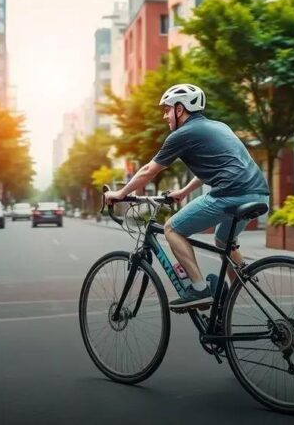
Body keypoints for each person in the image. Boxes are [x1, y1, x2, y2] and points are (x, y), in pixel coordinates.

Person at [105, 84, 269, 310]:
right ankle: (248, 288)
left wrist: (121, 193)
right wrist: (182, 193)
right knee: (223, 241)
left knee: (173, 228)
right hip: (258, 194)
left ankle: (200, 290)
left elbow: (149, 171)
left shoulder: (182, 134)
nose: (165, 116)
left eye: (167, 109)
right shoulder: (219, 127)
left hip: (230, 194)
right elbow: (217, 167)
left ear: (180, 109)